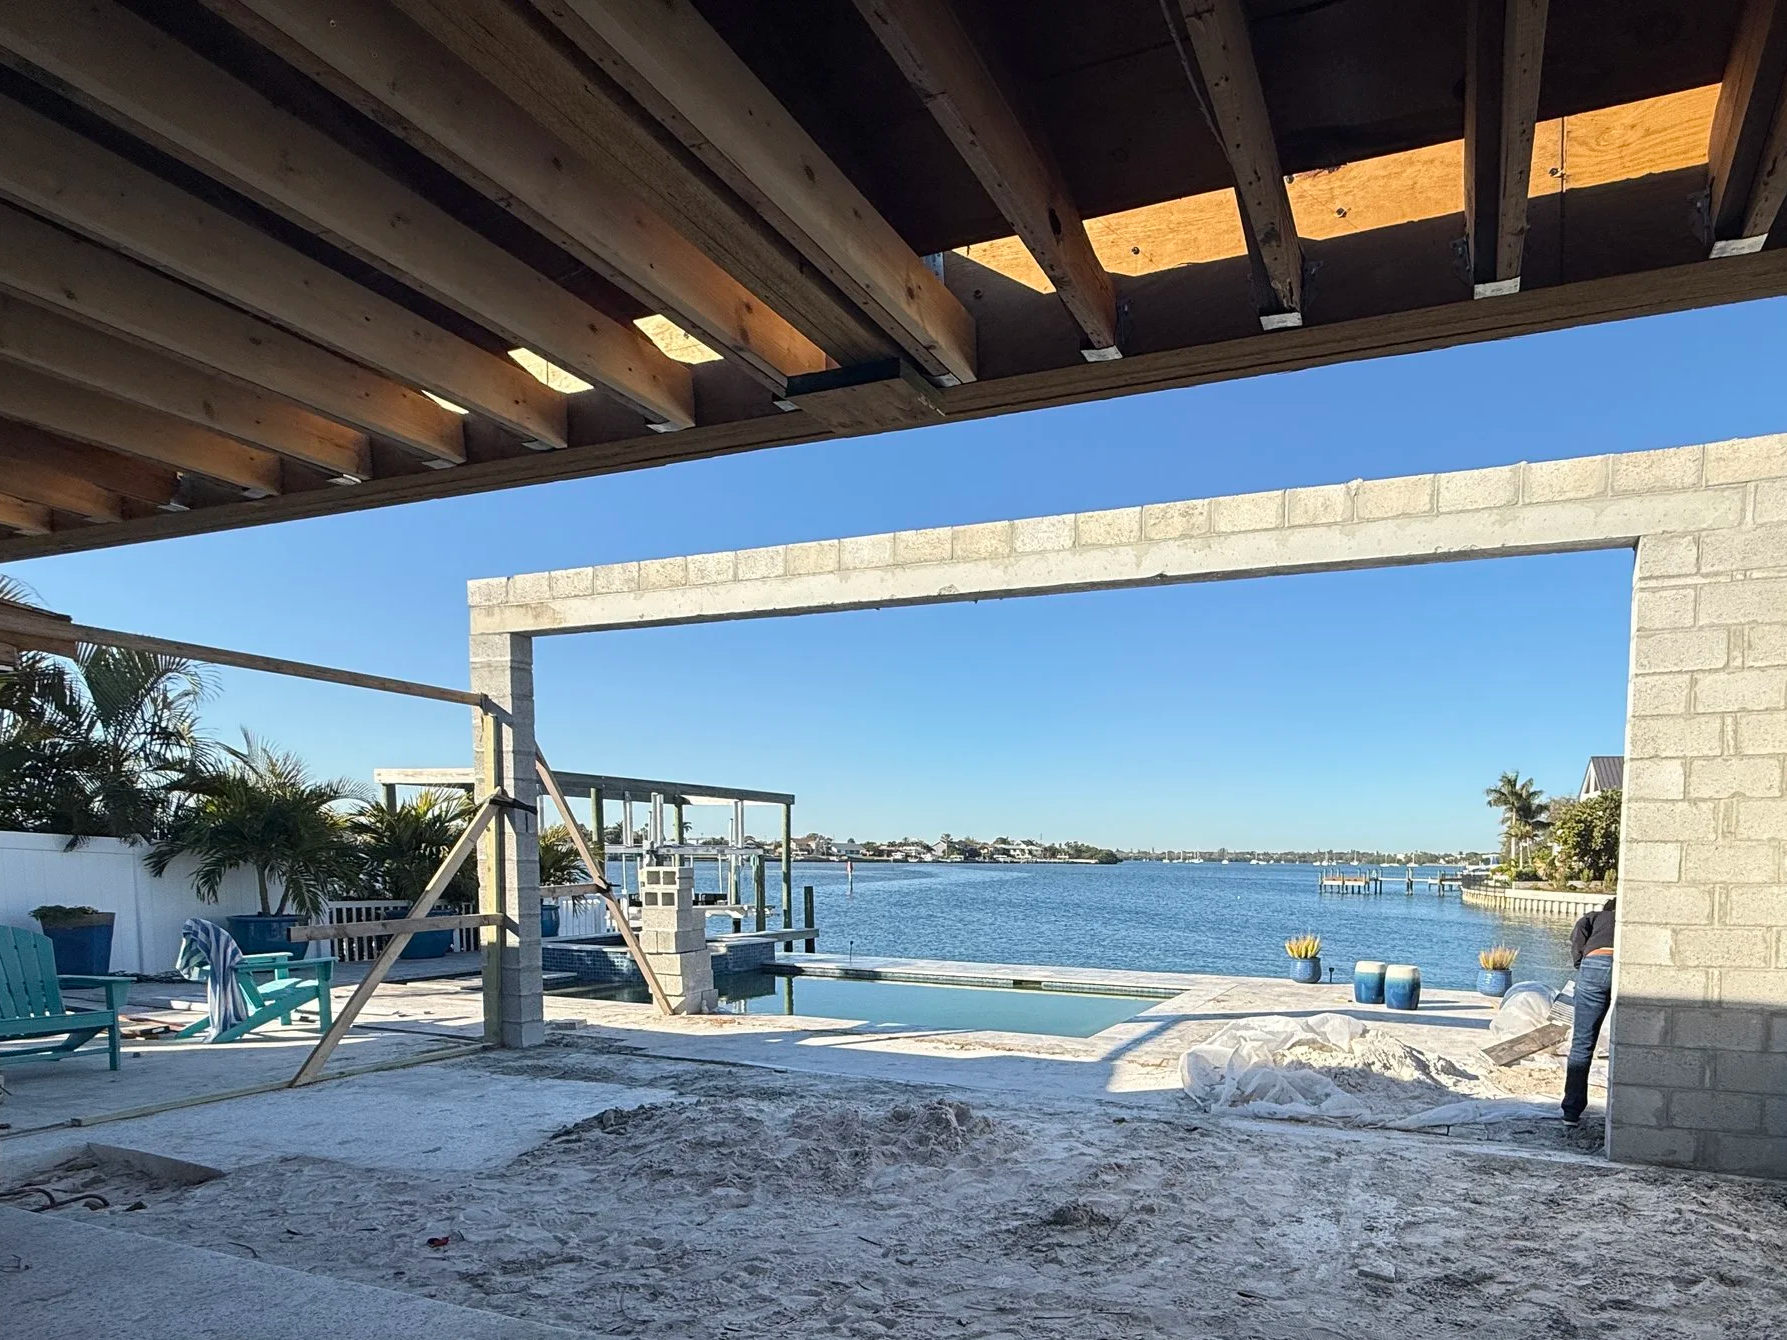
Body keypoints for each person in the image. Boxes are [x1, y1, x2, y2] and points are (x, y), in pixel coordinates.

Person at [1563, 897, 1616, 1125]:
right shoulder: (1632, 920)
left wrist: (1580, 964)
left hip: (1595, 963)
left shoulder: (1594, 917)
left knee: (1583, 1043)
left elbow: (1577, 938)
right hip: (1626, 965)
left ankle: (1571, 1113)